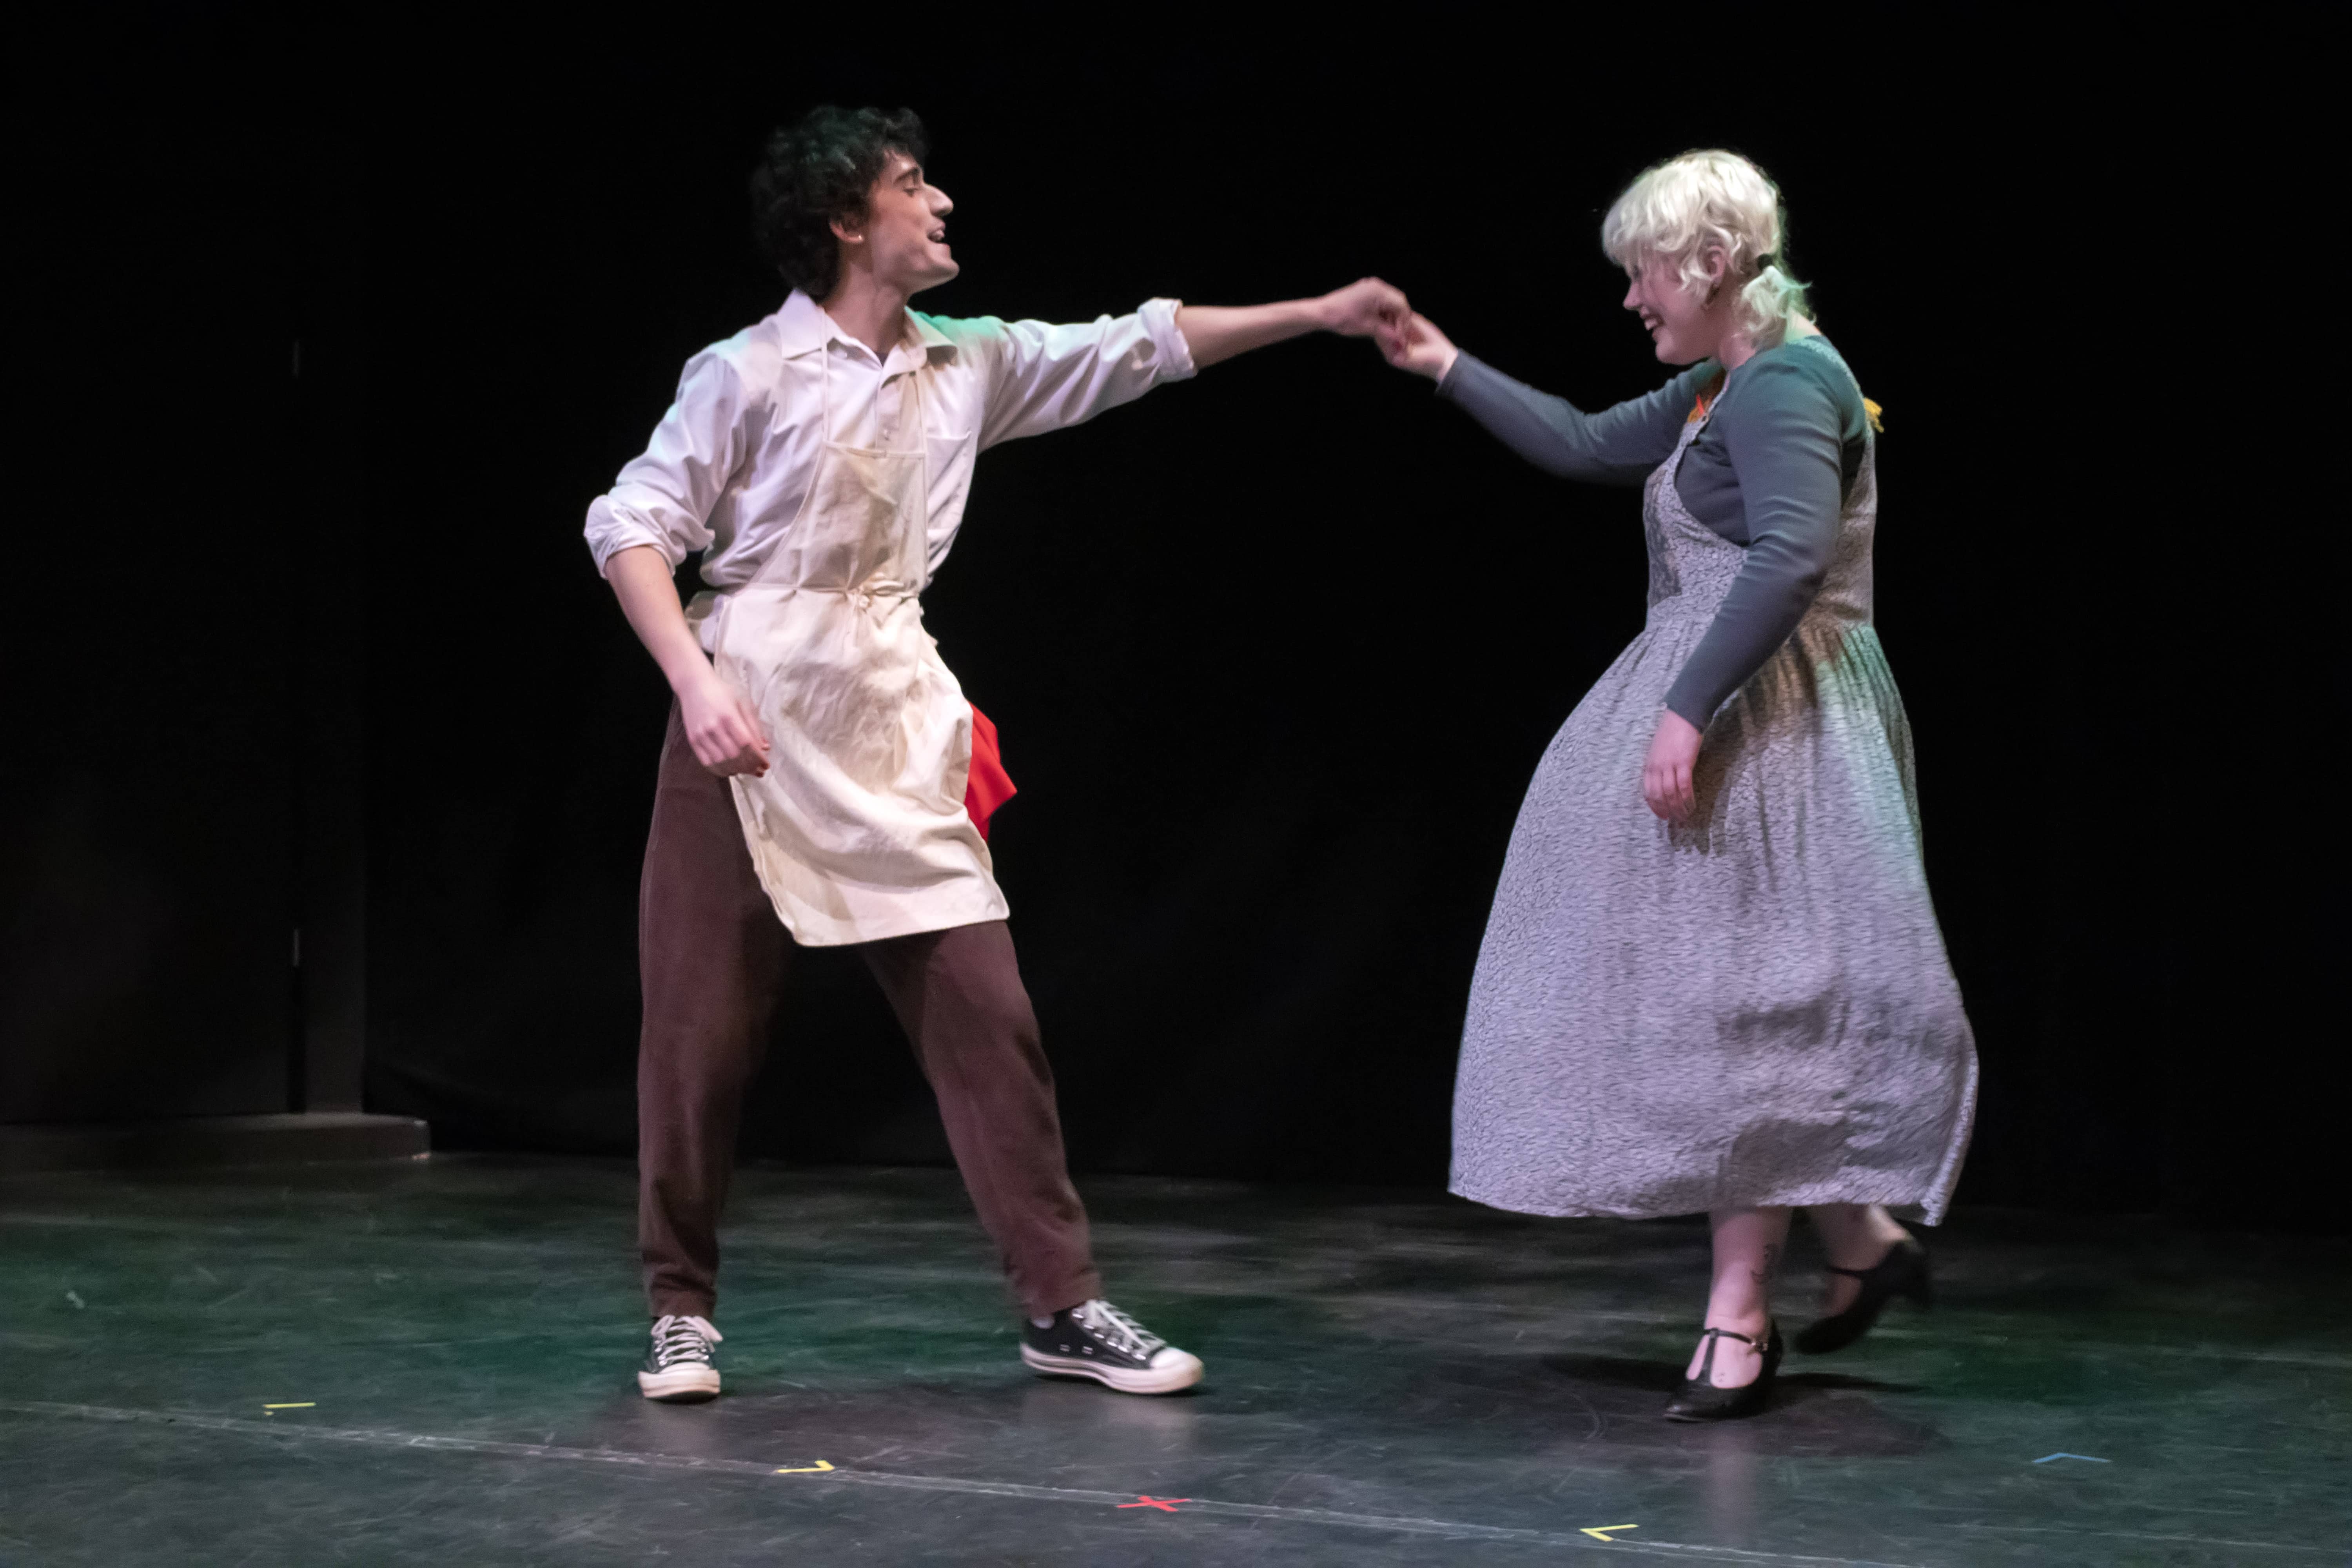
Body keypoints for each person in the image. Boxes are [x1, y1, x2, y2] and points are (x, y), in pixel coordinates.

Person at [583, 105, 1406, 1403]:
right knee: (698, 1039)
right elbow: (631, 526)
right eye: (915, 185)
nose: (943, 203)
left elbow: (1139, 346)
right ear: (849, 220)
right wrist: (693, 686)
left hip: (889, 713)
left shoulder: (963, 363)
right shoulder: (744, 371)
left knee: (990, 1017)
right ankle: (679, 1309)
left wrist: (1314, 312)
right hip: (745, 719)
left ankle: (1062, 1305)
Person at [1377, 150, 1976, 1421]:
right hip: (1737, 708)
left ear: (1706, 262)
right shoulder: (1728, 381)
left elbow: (1790, 559)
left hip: (1781, 723)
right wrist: (1442, 363)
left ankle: (1740, 1317)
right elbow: (1590, 443)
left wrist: (1686, 710)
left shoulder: (1791, 383)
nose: (1633, 300)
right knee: (1738, 1003)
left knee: (1750, 1008)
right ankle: (1857, 1240)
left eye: (1644, 273)